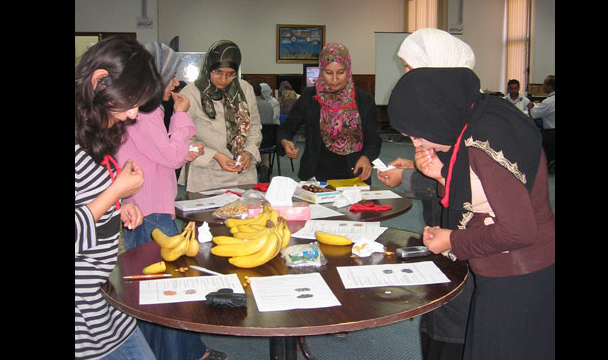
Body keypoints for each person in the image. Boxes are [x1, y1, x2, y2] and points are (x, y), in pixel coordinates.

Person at [388, 67, 555, 360]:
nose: (416, 143)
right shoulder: (483, 115)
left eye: (416, 134)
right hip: (524, 270)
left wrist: (452, 239)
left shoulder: (481, 142)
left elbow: (518, 230)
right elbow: (484, 193)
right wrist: (441, 175)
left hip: (516, 277)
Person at [115, 42, 226, 360]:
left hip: (149, 207)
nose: (176, 83)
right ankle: (185, 355)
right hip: (148, 212)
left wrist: (179, 147)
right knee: (164, 294)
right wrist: (180, 118)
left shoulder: (142, 107)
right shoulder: (146, 111)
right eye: (171, 77)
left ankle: (188, 351)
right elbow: (171, 153)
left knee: (158, 290)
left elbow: (160, 154)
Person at [376, 27, 476, 360]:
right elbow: (439, 168)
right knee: (436, 306)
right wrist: (417, 166)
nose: (405, 77)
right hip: (443, 236)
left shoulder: (467, 120)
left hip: (463, 243)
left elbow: (455, 183)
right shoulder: (447, 109)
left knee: (450, 325)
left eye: (409, 68)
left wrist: (407, 178)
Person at [75, 35, 161, 360]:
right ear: (100, 81)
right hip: (82, 317)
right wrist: (114, 191)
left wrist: (120, 204)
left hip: (107, 301)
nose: (133, 114)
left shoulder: (95, 129)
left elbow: (85, 200)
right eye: (130, 102)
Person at [277, 42, 381, 183]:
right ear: (321, 71)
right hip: (316, 175)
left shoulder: (364, 100)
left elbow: (374, 139)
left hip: (354, 175)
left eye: (340, 73)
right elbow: (287, 127)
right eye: (328, 73)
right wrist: (285, 141)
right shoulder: (310, 96)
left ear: (348, 70)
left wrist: (366, 157)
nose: (334, 79)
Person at [179, 40, 263, 191]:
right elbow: (183, 139)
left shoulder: (245, 90)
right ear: (208, 68)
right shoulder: (190, 94)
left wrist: (249, 151)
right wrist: (216, 156)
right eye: (218, 72)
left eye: (230, 74)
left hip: (243, 174)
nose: (223, 80)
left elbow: (255, 127)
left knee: (244, 213)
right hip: (207, 173)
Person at [528, 75, 555, 172]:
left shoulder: (548, 102)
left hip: (551, 133)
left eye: (544, 83)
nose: (542, 86)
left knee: (530, 136)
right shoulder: (548, 102)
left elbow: (533, 114)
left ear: (550, 86)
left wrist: (530, 106)